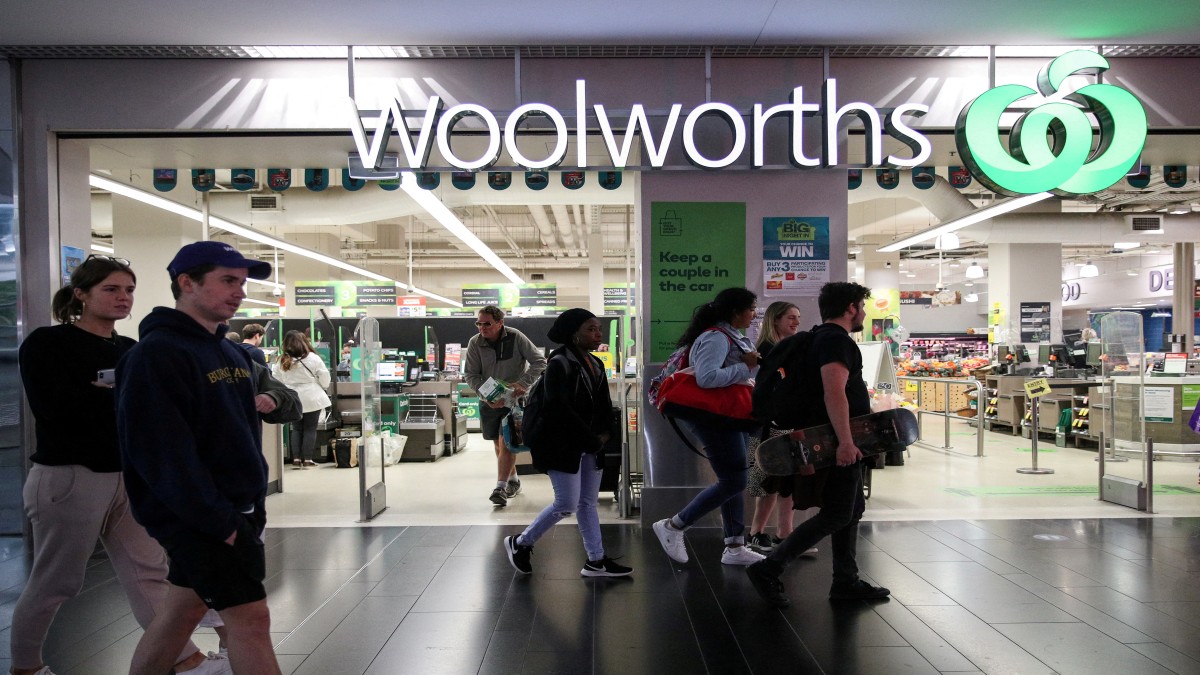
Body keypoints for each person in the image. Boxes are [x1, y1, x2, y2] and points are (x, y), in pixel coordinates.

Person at [11, 254, 230, 675]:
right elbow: (56, 408)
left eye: (128, 290)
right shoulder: (47, 344)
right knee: (56, 581)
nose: (123, 298)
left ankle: (186, 661)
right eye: (111, 289)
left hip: (128, 478)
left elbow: (156, 408)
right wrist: (122, 398)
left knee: (149, 572)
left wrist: (114, 396)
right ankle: (26, 667)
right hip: (69, 477)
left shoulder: (131, 349)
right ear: (81, 294)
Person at [116, 241, 297, 675]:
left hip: (236, 511)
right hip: (205, 518)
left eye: (242, 283)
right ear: (187, 283)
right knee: (251, 620)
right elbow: (162, 453)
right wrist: (222, 523)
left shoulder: (231, 352)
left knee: (180, 611)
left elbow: (260, 418)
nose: (239, 292)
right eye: (228, 281)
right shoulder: (156, 355)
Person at [746, 281, 892, 608]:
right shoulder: (835, 342)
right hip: (832, 439)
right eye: (862, 307)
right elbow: (834, 392)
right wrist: (845, 442)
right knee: (839, 512)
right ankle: (769, 568)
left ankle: (846, 580)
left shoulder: (817, 339)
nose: (865, 313)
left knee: (851, 509)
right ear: (851, 308)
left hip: (824, 436)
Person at [503, 309, 632, 578]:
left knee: (587, 503)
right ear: (574, 334)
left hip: (590, 444)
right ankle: (521, 542)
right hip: (563, 445)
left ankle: (596, 561)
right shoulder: (559, 363)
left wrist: (607, 431)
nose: (597, 334)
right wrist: (591, 438)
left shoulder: (594, 363)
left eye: (598, 329)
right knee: (567, 504)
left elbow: (603, 404)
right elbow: (556, 408)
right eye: (591, 329)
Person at [652, 287, 766, 567]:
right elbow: (707, 378)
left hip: (728, 415)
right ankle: (674, 526)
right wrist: (745, 367)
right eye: (751, 308)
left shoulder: (730, 336)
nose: (754, 314)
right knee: (734, 480)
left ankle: (735, 547)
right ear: (735, 311)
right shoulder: (716, 338)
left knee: (733, 479)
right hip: (713, 417)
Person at [746, 301, 814, 556]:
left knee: (786, 481)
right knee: (766, 480)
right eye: (790, 317)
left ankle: (784, 534)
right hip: (767, 424)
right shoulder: (766, 351)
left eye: (798, 317)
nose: (796, 322)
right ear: (775, 320)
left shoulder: (785, 349)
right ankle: (756, 532)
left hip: (786, 423)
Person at [463, 305, 547, 507]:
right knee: (497, 443)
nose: (482, 328)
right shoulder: (475, 343)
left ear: (500, 323)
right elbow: (471, 375)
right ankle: (513, 480)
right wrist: (485, 395)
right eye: (479, 323)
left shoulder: (516, 337)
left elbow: (539, 362)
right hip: (489, 401)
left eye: (487, 324)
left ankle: (499, 488)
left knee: (506, 441)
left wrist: (523, 384)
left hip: (514, 401)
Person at [272, 330, 332, 467]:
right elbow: (324, 376)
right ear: (303, 342)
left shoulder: (281, 359)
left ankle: (296, 459)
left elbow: (276, 379)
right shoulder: (313, 357)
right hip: (312, 396)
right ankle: (308, 459)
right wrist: (323, 386)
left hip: (292, 397)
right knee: (310, 428)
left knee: (296, 428)